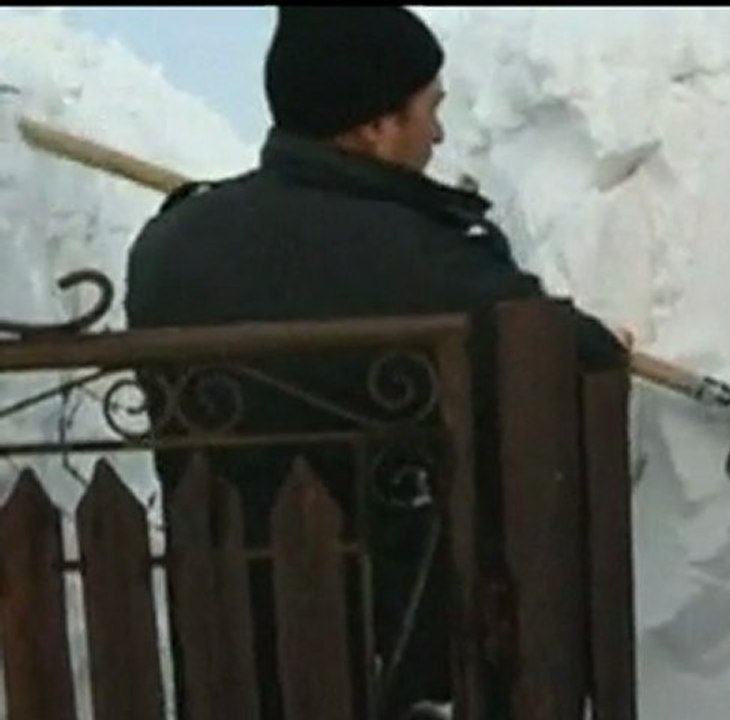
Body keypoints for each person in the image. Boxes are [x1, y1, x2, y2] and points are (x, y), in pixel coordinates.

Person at [124, 7, 628, 719]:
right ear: (373, 126)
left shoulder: (168, 246)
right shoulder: (417, 257)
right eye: (431, 109)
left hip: (223, 651)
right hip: (389, 666)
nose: (440, 133)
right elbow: (564, 359)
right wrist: (607, 344)